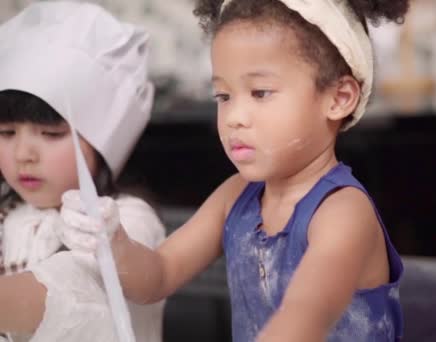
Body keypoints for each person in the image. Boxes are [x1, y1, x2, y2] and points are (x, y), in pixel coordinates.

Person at [60, 0, 410, 340]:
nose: (234, 117)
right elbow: (158, 276)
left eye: (260, 92)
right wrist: (112, 241)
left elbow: (302, 319)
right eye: (223, 96)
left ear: (338, 98)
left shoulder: (343, 213)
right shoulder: (235, 195)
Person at [0, 2, 165, 341]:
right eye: (6, 133)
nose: (23, 154)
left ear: (103, 143)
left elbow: (77, 291)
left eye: (50, 134)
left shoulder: (127, 222)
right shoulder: (7, 214)